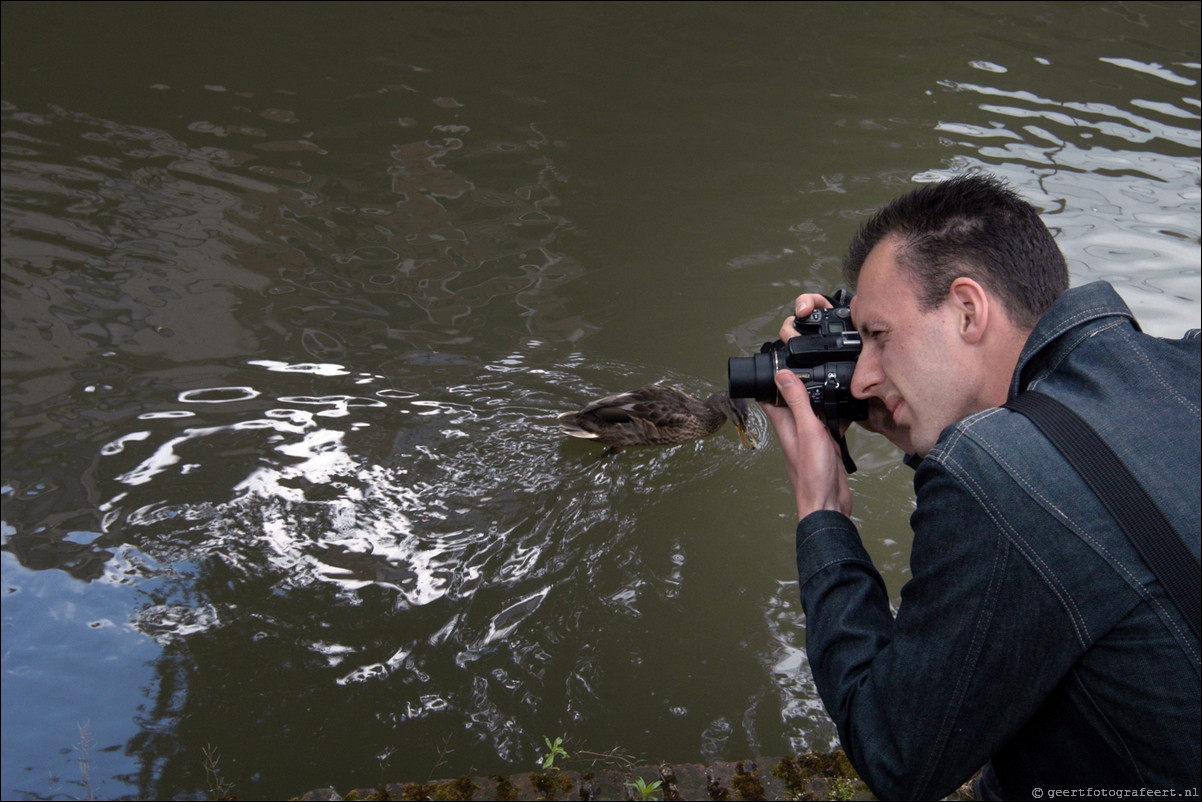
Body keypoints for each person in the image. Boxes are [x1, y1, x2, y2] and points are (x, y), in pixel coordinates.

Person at [761, 174, 1201, 800]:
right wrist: (915, 427)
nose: (860, 382)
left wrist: (822, 512)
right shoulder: (1179, 367)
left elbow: (895, 753)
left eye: (879, 337)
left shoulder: (998, 476)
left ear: (969, 309)